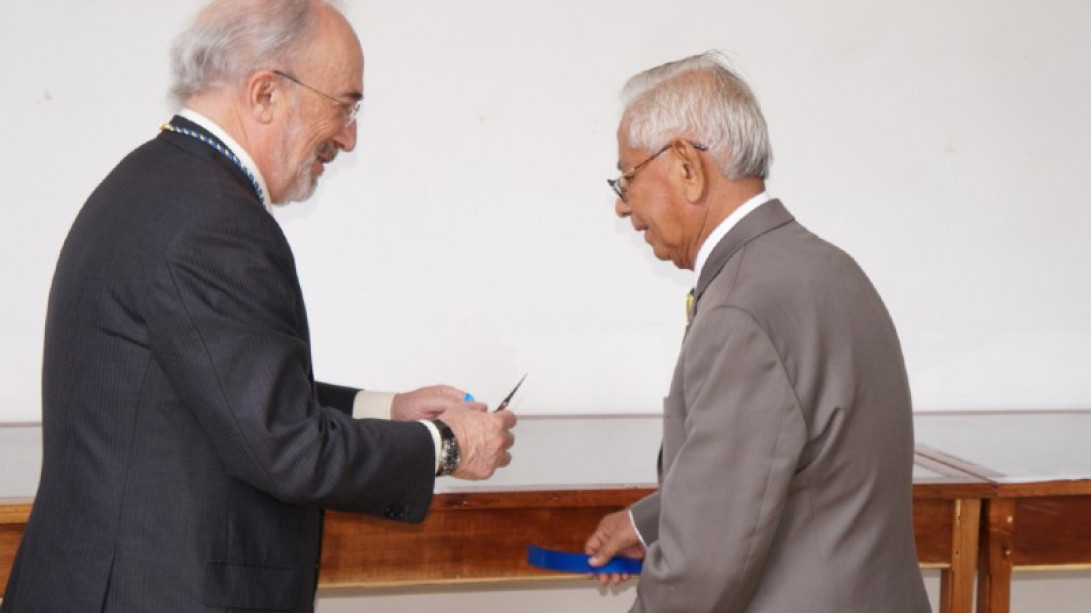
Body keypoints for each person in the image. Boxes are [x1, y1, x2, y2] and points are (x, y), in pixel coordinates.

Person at [1, 1, 516, 611]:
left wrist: (388, 409)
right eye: (346, 105)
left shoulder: (155, 182)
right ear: (266, 93)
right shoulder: (213, 220)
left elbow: (224, 389)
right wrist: (446, 446)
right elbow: (288, 450)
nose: (349, 137)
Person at [584, 52, 930, 613]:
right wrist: (651, 522)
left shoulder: (741, 311)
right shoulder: (825, 266)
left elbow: (701, 573)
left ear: (686, 167)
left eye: (627, 176)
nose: (623, 205)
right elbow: (804, 469)